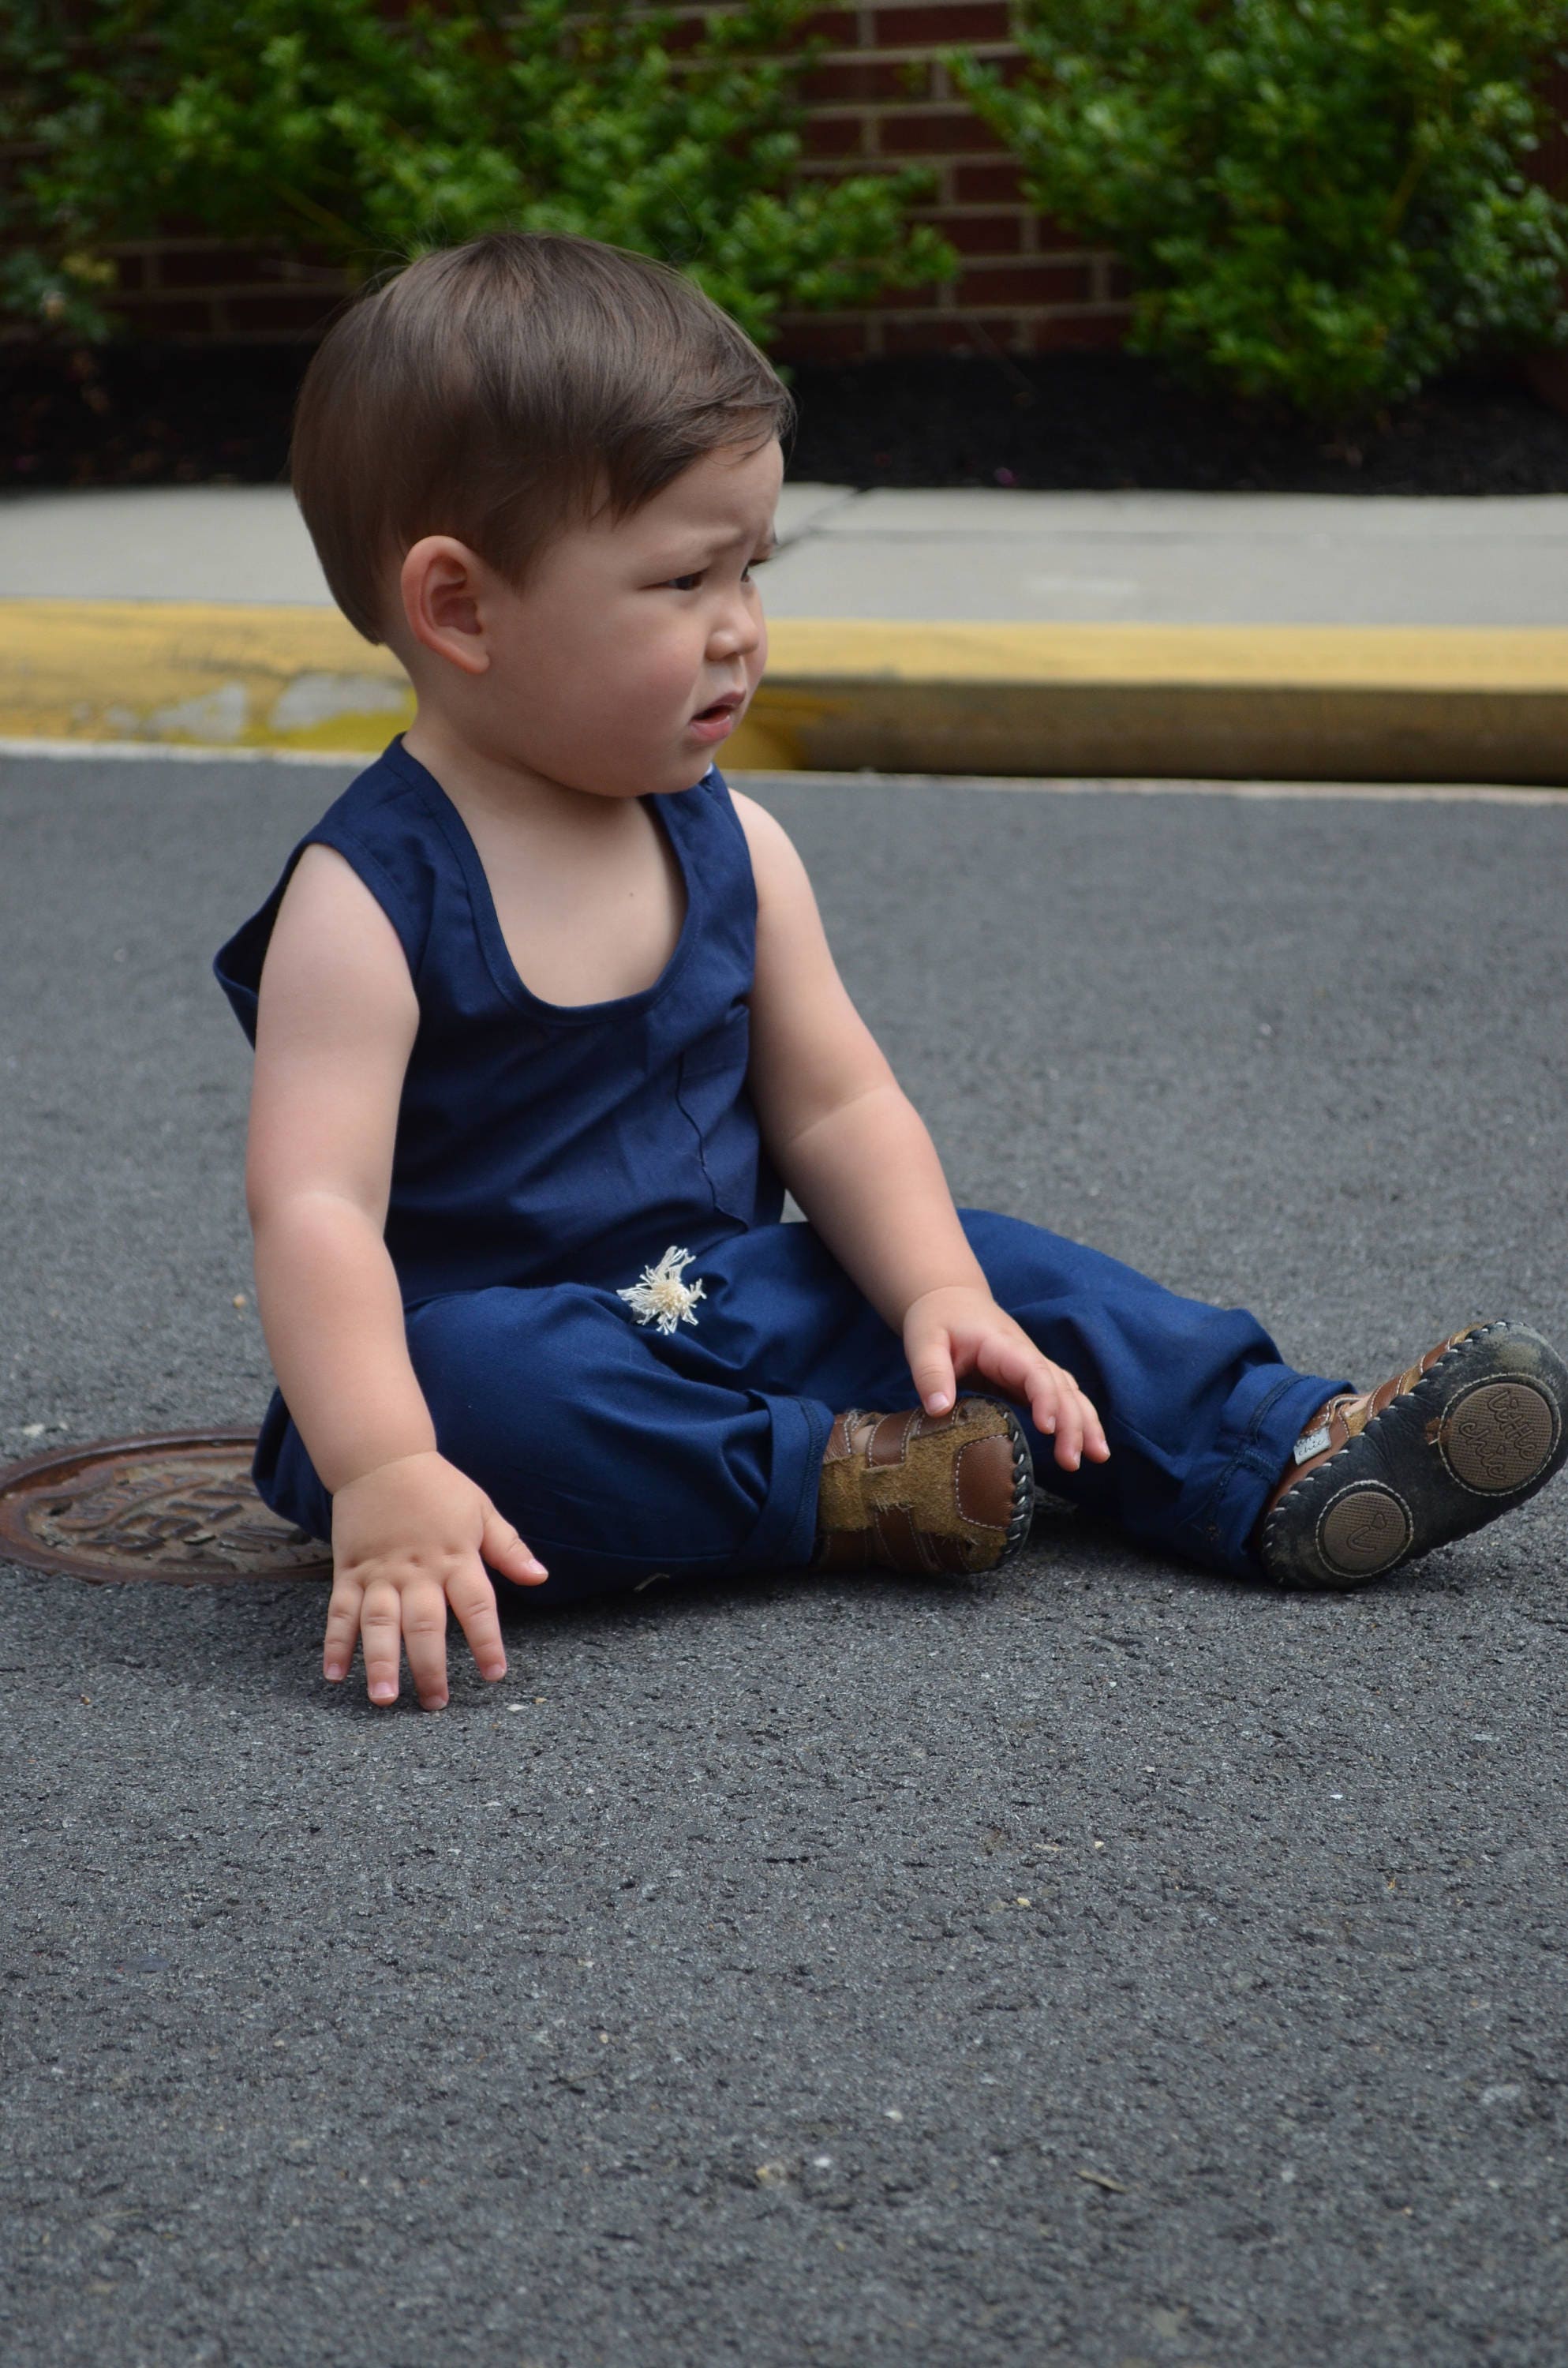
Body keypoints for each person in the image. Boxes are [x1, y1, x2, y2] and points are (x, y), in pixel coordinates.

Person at [214, 231, 1567, 1710]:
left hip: (724, 1305)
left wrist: (936, 1288)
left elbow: (842, 1109)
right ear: (460, 608)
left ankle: (1275, 1457)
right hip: (485, 1367)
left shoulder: (733, 845)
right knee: (494, 1395)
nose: (742, 629)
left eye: (752, 566)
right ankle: (841, 1487)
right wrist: (385, 1467)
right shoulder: (365, 898)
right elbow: (317, 1210)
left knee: (1011, 1274)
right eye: (680, 580)